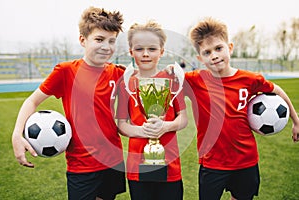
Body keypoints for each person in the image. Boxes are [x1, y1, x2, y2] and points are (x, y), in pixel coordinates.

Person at [11, 7, 126, 200]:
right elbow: (32, 101)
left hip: (113, 160)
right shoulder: (66, 72)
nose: (106, 46)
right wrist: (17, 134)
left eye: (111, 41)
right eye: (99, 39)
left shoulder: (118, 73)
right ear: (83, 40)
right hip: (81, 164)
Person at [183, 17, 299, 200]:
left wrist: (296, 121)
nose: (214, 55)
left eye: (218, 48)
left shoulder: (250, 79)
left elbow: (278, 91)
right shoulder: (194, 80)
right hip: (212, 163)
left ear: (230, 47)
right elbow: (166, 85)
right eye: (207, 52)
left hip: (246, 160)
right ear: (200, 58)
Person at [116, 21, 188, 200]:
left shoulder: (172, 80)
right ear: (131, 51)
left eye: (152, 49)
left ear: (162, 51)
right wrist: (142, 130)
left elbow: (183, 119)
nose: (146, 54)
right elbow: (122, 124)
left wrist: (166, 126)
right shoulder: (126, 83)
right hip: (137, 166)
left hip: (170, 164)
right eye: (139, 49)